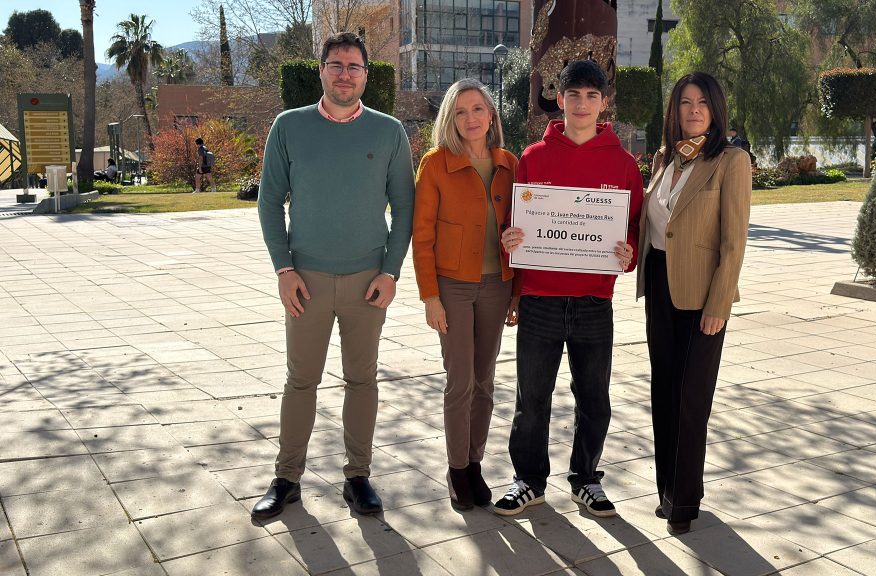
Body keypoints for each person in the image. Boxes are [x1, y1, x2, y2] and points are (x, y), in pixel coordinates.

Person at [251, 31, 414, 520]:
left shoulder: (389, 132)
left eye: (354, 66)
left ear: (366, 74)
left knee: (362, 380)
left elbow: (404, 209)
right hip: (307, 280)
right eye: (336, 65)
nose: (345, 74)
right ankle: (286, 478)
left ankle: (358, 476)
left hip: (368, 280)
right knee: (300, 381)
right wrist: (283, 269)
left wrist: (391, 272)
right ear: (321, 70)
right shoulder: (289, 126)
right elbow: (268, 202)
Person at [495, 60, 643, 518]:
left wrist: (629, 253)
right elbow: (513, 225)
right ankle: (528, 481)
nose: (582, 104)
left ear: (604, 103)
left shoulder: (623, 165)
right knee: (532, 398)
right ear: (559, 100)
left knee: (594, 398)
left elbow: (635, 229)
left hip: (594, 301)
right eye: (573, 95)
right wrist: (509, 242)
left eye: (591, 96)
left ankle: (586, 479)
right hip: (540, 299)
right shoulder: (533, 158)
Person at [636, 72, 751, 535]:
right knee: (663, 391)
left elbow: (733, 242)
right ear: (675, 110)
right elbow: (654, 224)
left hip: (703, 294)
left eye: (702, 102)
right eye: (685, 102)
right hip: (660, 285)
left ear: (715, 109)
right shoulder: (665, 158)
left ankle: (685, 501)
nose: (694, 110)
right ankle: (667, 490)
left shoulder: (731, 161)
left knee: (691, 398)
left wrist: (719, 304)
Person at [412, 78, 518, 511]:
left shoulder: (510, 164)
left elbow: (524, 227)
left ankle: (475, 463)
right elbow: (421, 236)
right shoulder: (435, 164)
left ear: (491, 115)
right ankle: (457, 469)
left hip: (498, 285)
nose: (470, 118)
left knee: (485, 381)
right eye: (460, 111)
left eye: (477, 109)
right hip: (452, 287)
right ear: (450, 119)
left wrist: (517, 293)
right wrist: (430, 297)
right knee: (461, 381)